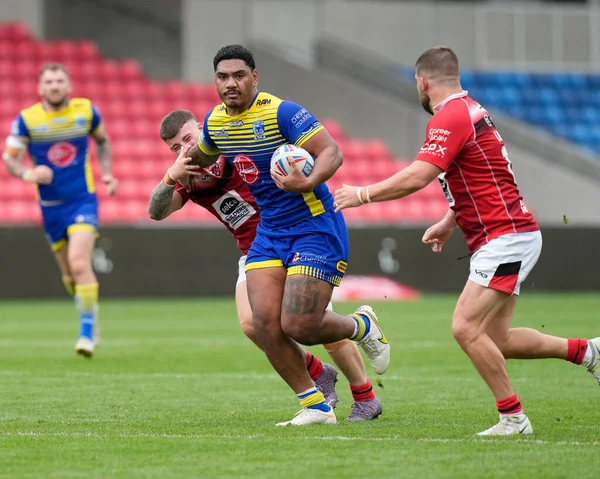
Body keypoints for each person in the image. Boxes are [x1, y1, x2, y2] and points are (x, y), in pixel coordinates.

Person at [333, 46, 600, 436]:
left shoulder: (451, 116)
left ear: (423, 82)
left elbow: (418, 176)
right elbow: (480, 178)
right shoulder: (471, 111)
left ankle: (513, 418)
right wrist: (449, 220)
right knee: (498, 339)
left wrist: (363, 194)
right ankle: (589, 352)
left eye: (416, 84)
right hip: (508, 234)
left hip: (505, 238)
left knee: (465, 327)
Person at [182, 45, 390, 426]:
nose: (231, 83)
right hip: (270, 232)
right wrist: (175, 172)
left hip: (314, 226)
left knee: (299, 326)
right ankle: (315, 406)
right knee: (264, 326)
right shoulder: (215, 123)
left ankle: (362, 325)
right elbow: (201, 155)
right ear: (215, 81)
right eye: (223, 77)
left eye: (239, 76)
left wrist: (306, 180)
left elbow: (331, 152)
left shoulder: (282, 112)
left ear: (255, 77)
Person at [147, 109, 383, 420]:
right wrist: (170, 176)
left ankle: (365, 395)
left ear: (203, 133)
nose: (185, 152)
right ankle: (317, 373)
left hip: (298, 237)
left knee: (313, 320)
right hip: (256, 250)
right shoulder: (189, 179)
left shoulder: (234, 148)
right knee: (251, 324)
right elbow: (156, 211)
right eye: (175, 149)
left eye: (189, 140)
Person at [2, 62, 118, 358]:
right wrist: (28, 173)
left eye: (59, 81)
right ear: (40, 88)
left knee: (80, 264)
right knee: (69, 276)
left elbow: (102, 142)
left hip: (82, 200)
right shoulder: (27, 120)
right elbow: (10, 158)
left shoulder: (86, 112)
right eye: (49, 82)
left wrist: (106, 173)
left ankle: (87, 332)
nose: (54, 86)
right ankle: (91, 316)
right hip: (51, 208)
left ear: (69, 86)